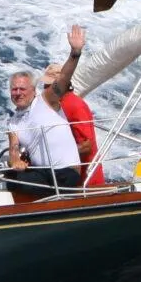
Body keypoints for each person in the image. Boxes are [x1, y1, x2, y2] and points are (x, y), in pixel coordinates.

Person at [6, 68, 83, 199]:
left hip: (66, 172)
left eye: (22, 89)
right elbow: (13, 148)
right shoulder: (13, 122)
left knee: (12, 183)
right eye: (14, 89)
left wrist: (74, 56)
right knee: (5, 179)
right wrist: (16, 161)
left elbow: (63, 78)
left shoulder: (45, 100)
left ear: (33, 90)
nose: (18, 93)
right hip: (42, 173)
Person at [45, 23, 104, 186]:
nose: (45, 89)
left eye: (48, 85)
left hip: (86, 181)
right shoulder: (55, 104)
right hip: (66, 177)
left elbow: (86, 146)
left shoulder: (74, 105)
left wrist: (54, 157)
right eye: (44, 85)